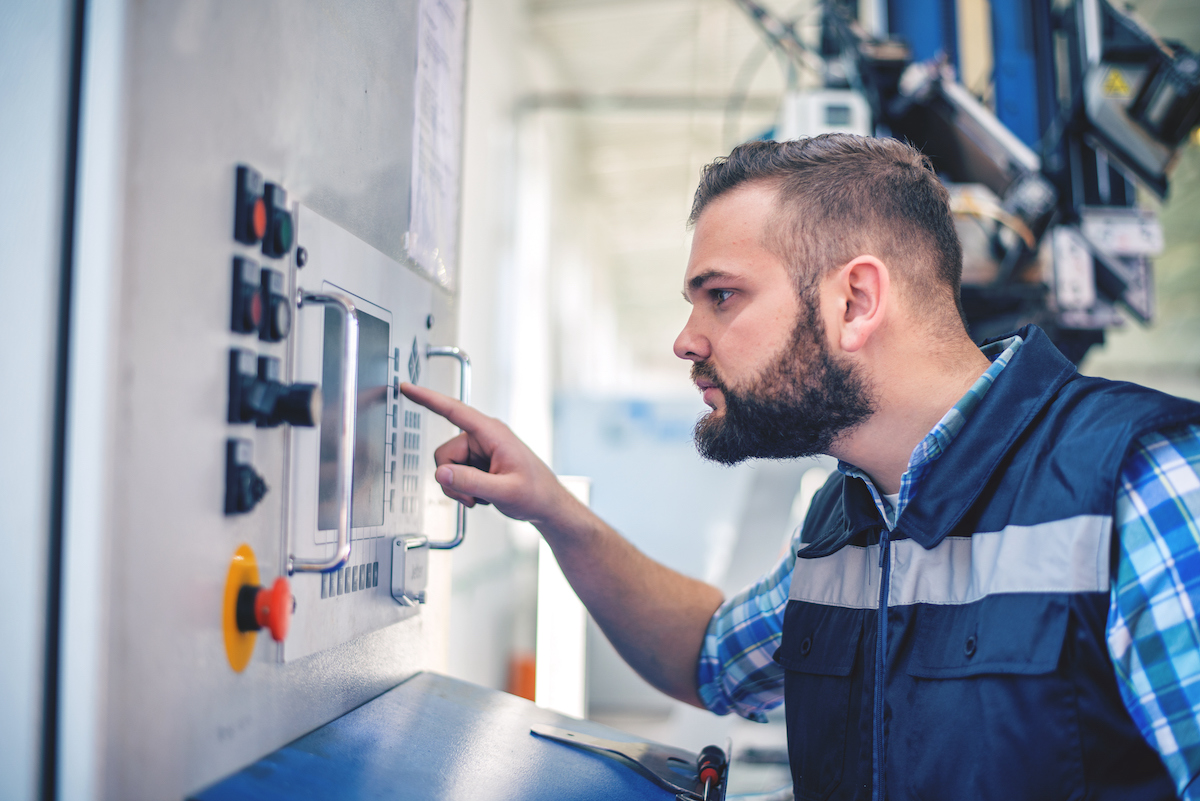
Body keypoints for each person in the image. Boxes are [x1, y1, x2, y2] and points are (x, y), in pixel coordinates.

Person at [401, 134, 1200, 801]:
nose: (686, 339)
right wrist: (552, 508)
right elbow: (711, 657)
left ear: (855, 300)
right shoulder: (846, 521)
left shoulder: (1137, 485)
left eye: (721, 296)